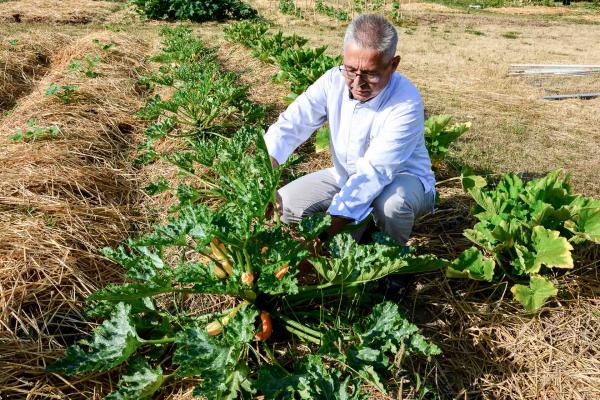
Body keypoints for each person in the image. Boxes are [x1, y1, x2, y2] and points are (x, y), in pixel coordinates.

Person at [264, 14, 435, 246]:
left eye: (371, 74)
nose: (358, 83)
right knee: (286, 207)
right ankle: (363, 225)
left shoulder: (406, 102)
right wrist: (266, 176)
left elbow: (375, 173)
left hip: (402, 179)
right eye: (351, 70)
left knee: (391, 205)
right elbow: (291, 124)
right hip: (346, 175)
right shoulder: (332, 81)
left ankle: (394, 264)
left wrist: (320, 239)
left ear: (393, 65)